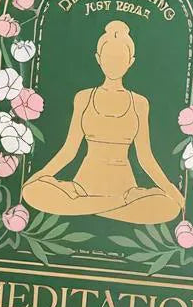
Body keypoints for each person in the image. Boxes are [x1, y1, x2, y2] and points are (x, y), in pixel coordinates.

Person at [21, 20, 183, 224]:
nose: (113, 64)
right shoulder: (84, 98)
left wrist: (170, 189)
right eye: (108, 58)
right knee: (32, 191)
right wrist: (41, 175)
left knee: (168, 206)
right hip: (82, 186)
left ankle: (89, 206)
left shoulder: (139, 103)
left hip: (125, 190)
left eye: (120, 59)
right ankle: (112, 206)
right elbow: (69, 150)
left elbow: (145, 158)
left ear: (130, 61)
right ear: (98, 59)